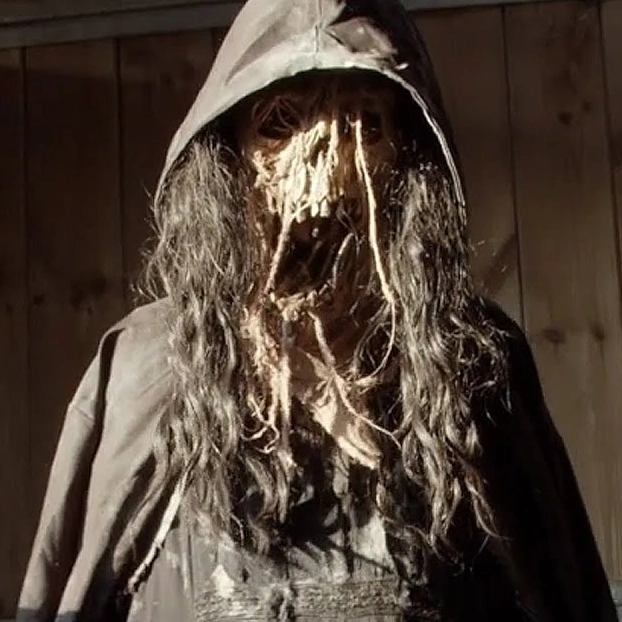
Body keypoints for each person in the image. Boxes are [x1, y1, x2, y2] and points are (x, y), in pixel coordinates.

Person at [17, 0, 618, 620]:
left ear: (407, 164)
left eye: (367, 127)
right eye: (281, 123)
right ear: (227, 158)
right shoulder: (150, 361)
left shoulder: (467, 357)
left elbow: (558, 588)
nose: (326, 182)